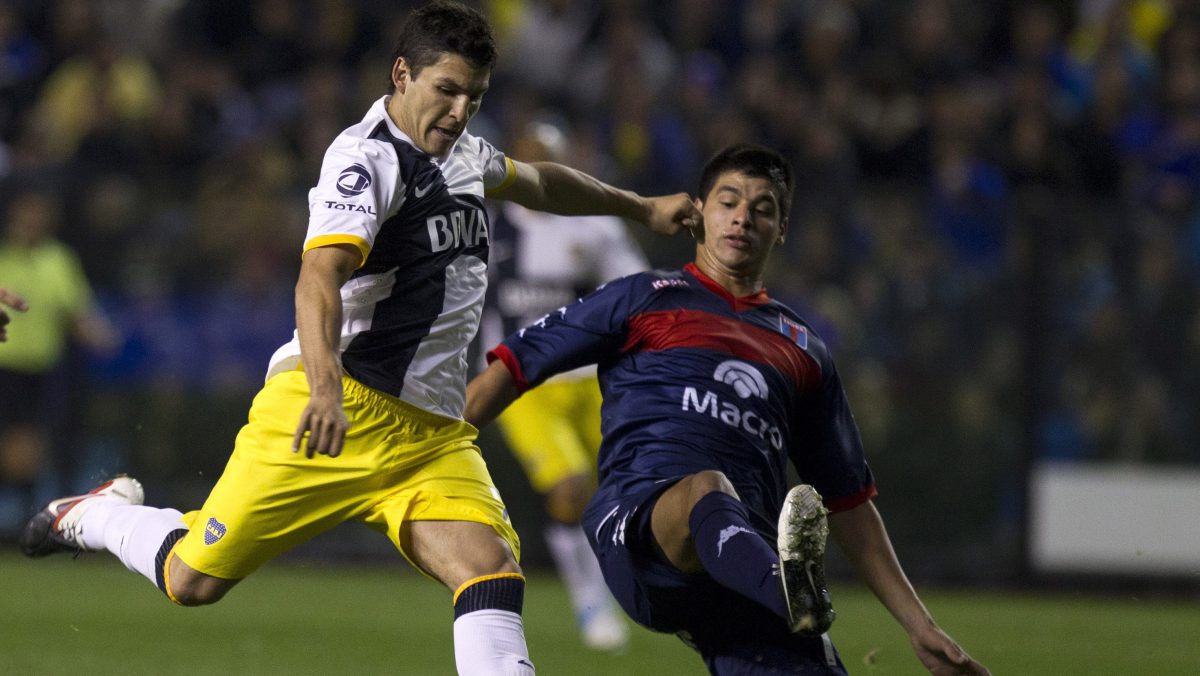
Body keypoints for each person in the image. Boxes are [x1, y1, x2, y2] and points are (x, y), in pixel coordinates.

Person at [18, 3, 698, 675]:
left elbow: (541, 182)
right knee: (190, 579)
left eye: (474, 96)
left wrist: (640, 207)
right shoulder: (367, 161)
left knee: (489, 570)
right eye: (447, 90)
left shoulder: (465, 152)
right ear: (402, 74)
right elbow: (319, 276)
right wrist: (323, 389)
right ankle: (98, 515)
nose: (459, 111)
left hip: (430, 435)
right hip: (336, 408)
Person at [466, 144, 991, 675]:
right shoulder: (644, 296)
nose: (743, 217)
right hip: (641, 533)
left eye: (763, 209)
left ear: (781, 230)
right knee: (707, 489)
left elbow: (849, 502)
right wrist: (435, 446)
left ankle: (784, 593)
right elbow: (515, 366)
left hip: (742, 564)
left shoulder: (805, 351)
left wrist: (919, 625)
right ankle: (789, 592)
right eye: (729, 201)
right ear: (699, 212)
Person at [480, 119, 645, 651]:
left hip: (592, 381)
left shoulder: (594, 228)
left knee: (635, 488)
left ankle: (652, 589)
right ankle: (591, 601)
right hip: (522, 385)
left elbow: (636, 293)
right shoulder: (486, 230)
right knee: (569, 487)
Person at [0, 191, 119, 524]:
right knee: (18, 447)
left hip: (37, 369)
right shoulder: (4, 257)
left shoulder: (57, 260)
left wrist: (101, 337)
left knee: (28, 446)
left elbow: (75, 310)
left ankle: (26, 518)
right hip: (4, 365)